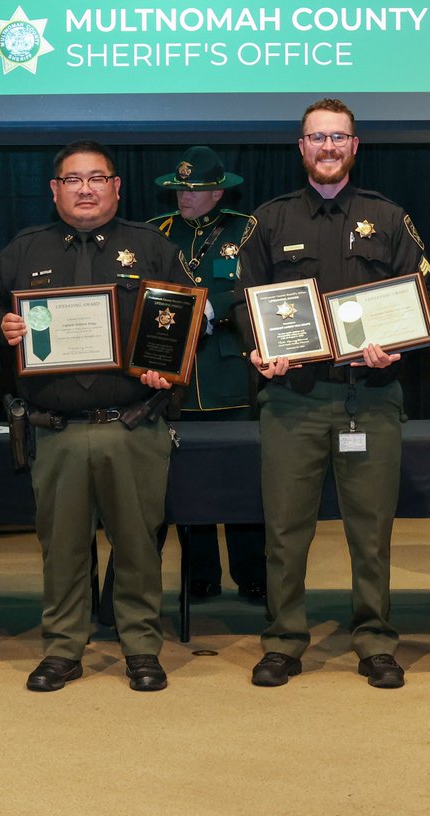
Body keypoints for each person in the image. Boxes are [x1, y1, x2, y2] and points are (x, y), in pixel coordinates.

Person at [232, 98, 430, 689]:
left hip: (369, 396)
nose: (327, 147)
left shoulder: (389, 218)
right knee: (286, 529)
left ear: (354, 146)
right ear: (301, 148)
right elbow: (244, 300)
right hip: (293, 400)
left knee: (371, 530)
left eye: (338, 138)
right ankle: (284, 640)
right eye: (316, 138)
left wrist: (398, 344)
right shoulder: (268, 221)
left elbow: (421, 290)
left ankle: (374, 639)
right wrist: (257, 348)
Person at [0, 140, 188, 692]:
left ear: (118, 186)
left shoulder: (152, 247)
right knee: (63, 548)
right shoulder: (26, 248)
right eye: (74, 179)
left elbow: (185, 315)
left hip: (134, 424)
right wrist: (1, 323)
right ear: (55, 190)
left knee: (139, 545)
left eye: (97, 178)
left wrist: (164, 367)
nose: (86, 188)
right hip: (58, 431)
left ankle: (141, 646)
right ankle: (63, 647)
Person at [147, 145, 266, 602]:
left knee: (240, 481)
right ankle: (201, 574)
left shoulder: (246, 230)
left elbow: (255, 285)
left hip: (230, 374)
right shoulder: (156, 233)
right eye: (179, 189)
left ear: (217, 192)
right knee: (188, 484)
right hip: (175, 378)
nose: (184, 198)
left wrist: (215, 308)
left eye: (194, 191)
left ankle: (253, 573)